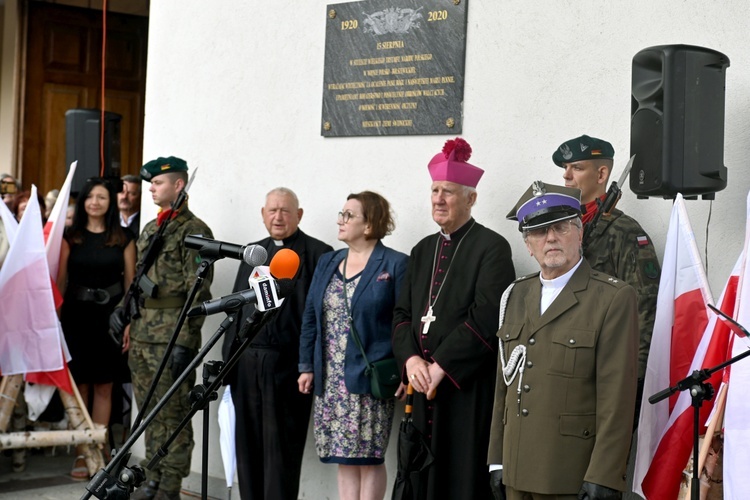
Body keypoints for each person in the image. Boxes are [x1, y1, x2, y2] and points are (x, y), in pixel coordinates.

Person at [488, 181, 638, 500]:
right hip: (515, 468)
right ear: (528, 244)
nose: (551, 238)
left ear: (579, 233)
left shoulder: (612, 298)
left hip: (571, 473)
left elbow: (617, 398)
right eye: (540, 232)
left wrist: (605, 474)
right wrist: (496, 459)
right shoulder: (515, 295)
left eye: (561, 227)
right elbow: (505, 385)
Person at [392, 137, 516, 500]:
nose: (438, 199)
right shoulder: (422, 249)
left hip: (465, 390)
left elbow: (488, 317)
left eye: (447, 191)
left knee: (459, 479)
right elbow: (402, 315)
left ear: (471, 198)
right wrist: (412, 359)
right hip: (421, 386)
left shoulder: (492, 247)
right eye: (434, 191)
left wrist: (441, 366)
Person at [221, 187, 332, 500]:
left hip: (288, 367)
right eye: (272, 210)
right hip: (246, 362)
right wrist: (229, 364)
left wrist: (308, 365)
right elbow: (236, 307)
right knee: (248, 447)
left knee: (281, 449)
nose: (278, 217)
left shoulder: (319, 253)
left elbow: (320, 316)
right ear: (263, 214)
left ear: (299, 215)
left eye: (285, 210)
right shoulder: (254, 252)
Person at [298, 191, 407, 500]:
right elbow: (311, 317)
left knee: (370, 458)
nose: (340, 220)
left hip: (369, 377)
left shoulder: (395, 264)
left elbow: (404, 322)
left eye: (348, 215)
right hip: (330, 380)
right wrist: (306, 366)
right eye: (341, 213)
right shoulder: (328, 261)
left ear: (370, 223)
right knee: (343, 458)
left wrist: (403, 370)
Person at [128, 157, 213, 500]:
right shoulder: (152, 228)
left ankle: (169, 486)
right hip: (144, 335)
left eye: (158, 183)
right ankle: (151, 477)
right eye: (151, 184)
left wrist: (187, 341)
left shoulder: (195, 231)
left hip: (172, 337)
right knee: (148, 412)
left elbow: (199, 290)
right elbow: (140, 280)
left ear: (179, 185)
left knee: (173, 414)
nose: (151, 188)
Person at [552, 135, 660, 406]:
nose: (566, 176)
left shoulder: (625, 233)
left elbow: (645, 310)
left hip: (608, 374)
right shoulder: (563, 229)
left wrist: (632, 381)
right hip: (567, 371)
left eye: (576, 168)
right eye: (565, 168)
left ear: (601, 174)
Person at [57, 177, 136, 479]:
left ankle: (99, 449)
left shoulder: (124, 238)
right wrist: (56, 323)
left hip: (110, 318)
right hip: (76, 317)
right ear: (83, 202)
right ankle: (81, 452)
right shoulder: (70, 236)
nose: (95, 202)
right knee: (79, 387)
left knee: (105, 385)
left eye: (102, 197)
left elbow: (130, 285)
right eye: (91, 197)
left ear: (110, 202)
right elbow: (61, 281)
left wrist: (127, 320)